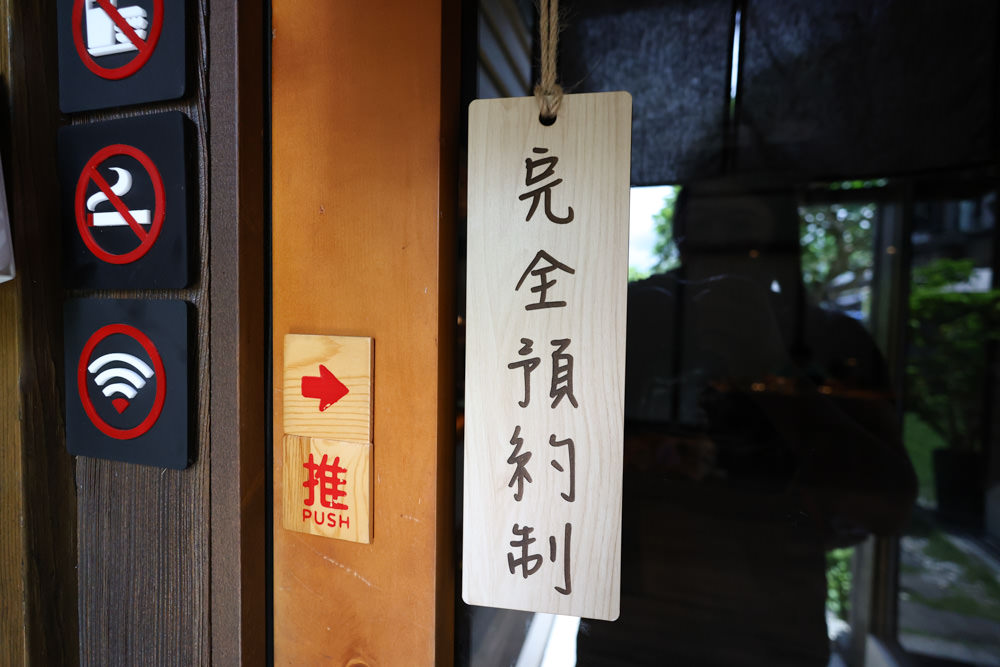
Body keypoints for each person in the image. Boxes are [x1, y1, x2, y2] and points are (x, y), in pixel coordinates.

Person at [576, 181, 917, 666]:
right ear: (681, 239)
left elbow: (888, 508)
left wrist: (772, 367)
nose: (721, 248)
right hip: (632, 623)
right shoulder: (636, 320)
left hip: (769, 632)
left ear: (778, 243)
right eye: (703, 231)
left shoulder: (828, 339)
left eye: (740, 230)